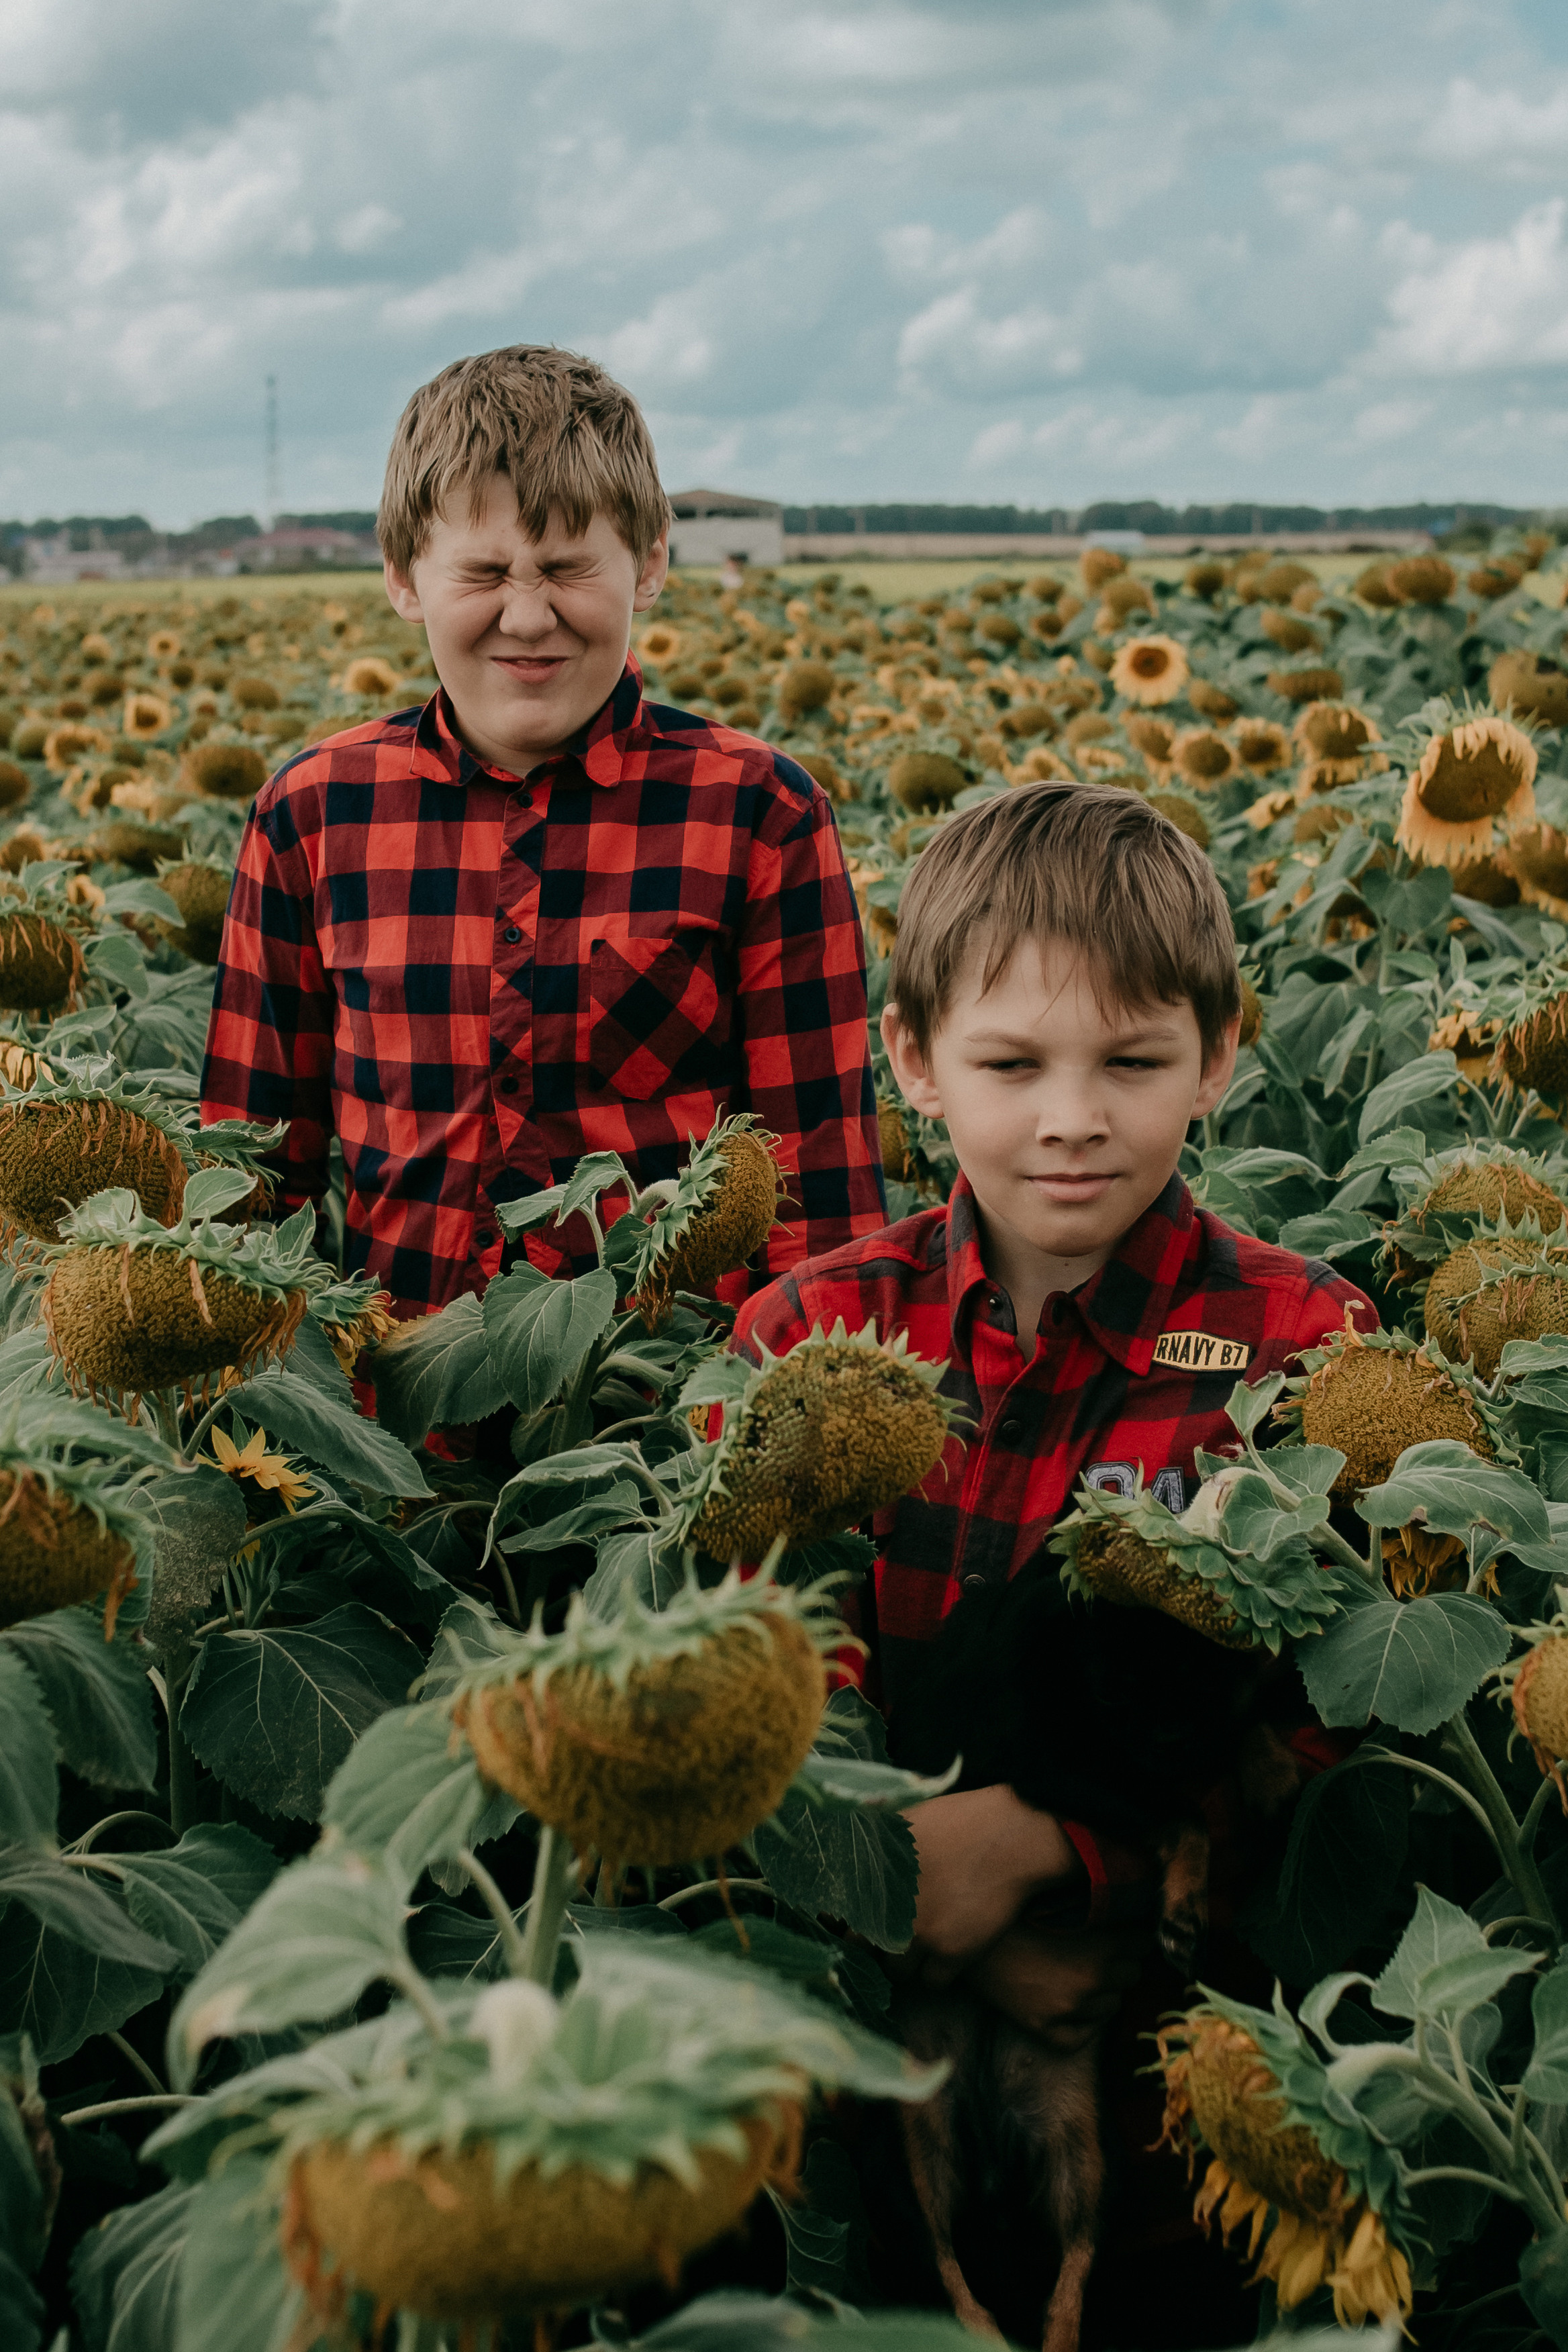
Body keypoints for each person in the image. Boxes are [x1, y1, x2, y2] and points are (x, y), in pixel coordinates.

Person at [728, 780, 1375, 2045]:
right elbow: (757, 1694)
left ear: (1218, 1056)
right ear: (913, 1058)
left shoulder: (1308, 1352)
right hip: (847, 2027)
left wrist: (1058, 1859)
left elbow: (1331, 1740)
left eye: (1132, 1063)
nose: (1071, 1121)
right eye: (1011, 1064)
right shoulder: (806, 1338)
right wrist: (909, 1910)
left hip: (1188, 2058)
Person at [200, 344, 887, 1320]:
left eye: (568, 568)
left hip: (669, 1415)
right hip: (397, 1416)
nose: (528, 616)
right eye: (483, 573)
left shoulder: (756, 814)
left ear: (648, 566)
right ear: (404, 579)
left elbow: (822, 1200)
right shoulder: (314, 815)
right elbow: (251, 1178)